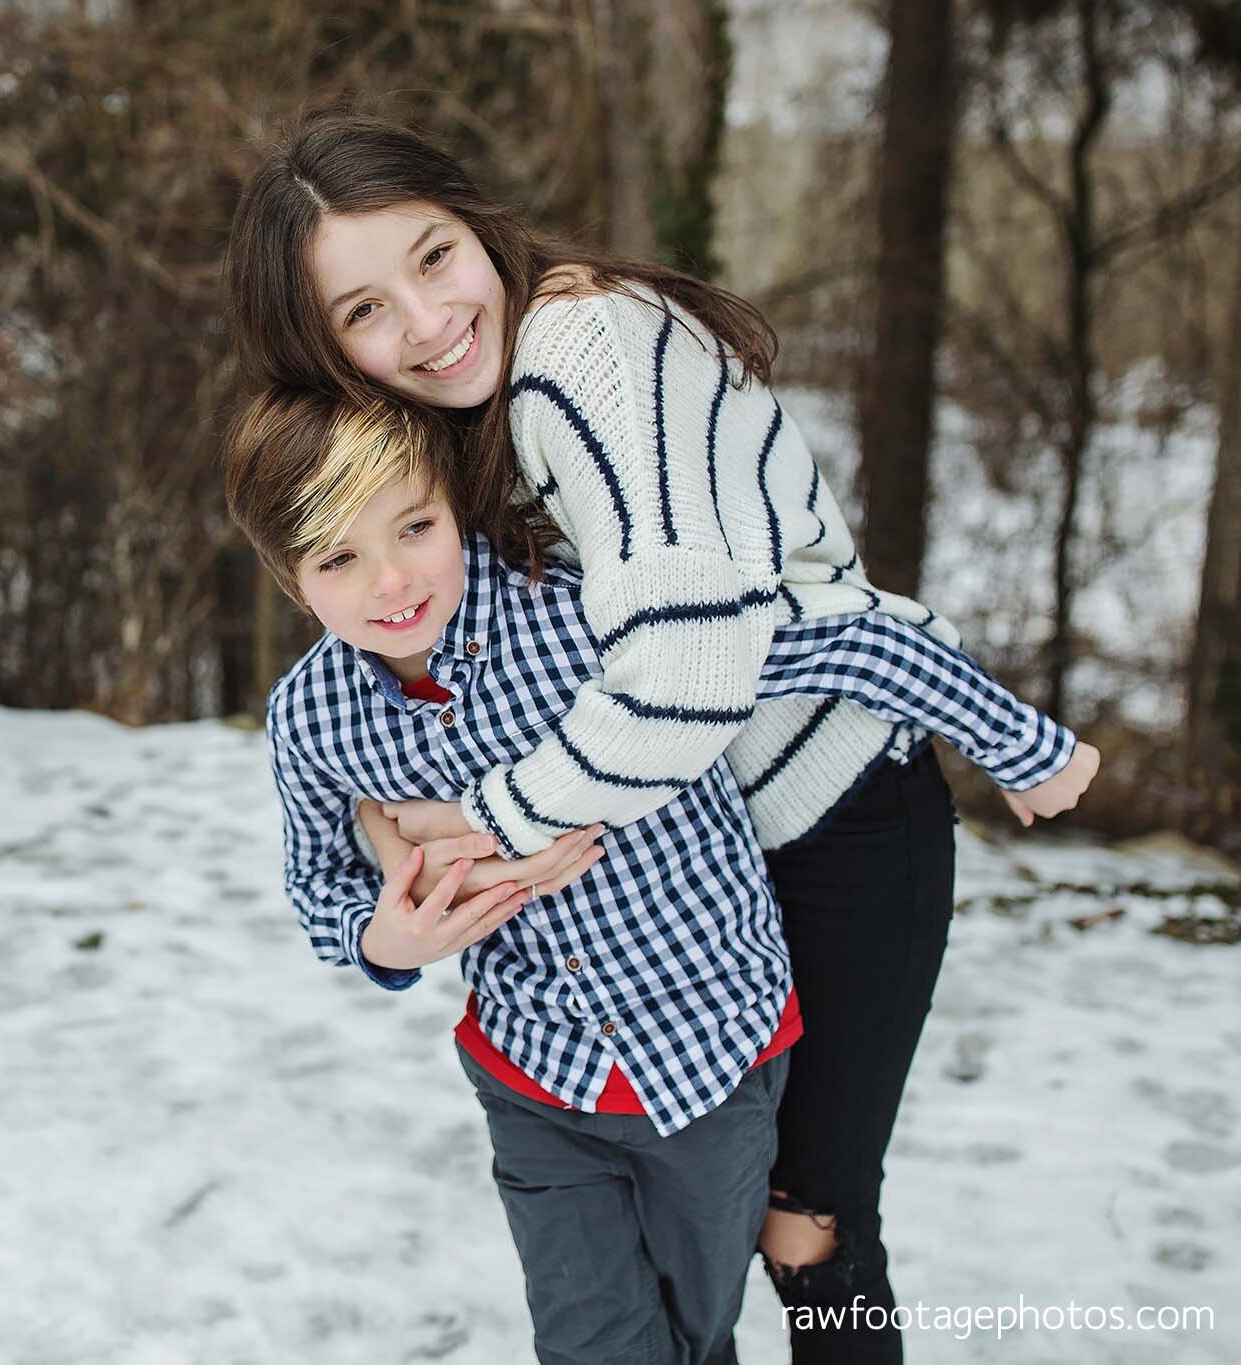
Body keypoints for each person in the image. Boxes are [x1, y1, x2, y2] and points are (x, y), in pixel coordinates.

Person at [224, 112, 1100, 1362]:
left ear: (477, 222)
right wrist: (398, 895)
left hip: (834, 816)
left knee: (808, 1229)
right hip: (695, 844)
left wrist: (493, 828)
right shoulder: (450, 442)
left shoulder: (578, 357)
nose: (421, 323)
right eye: (361, 311)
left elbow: (699, 666)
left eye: (431, 257)